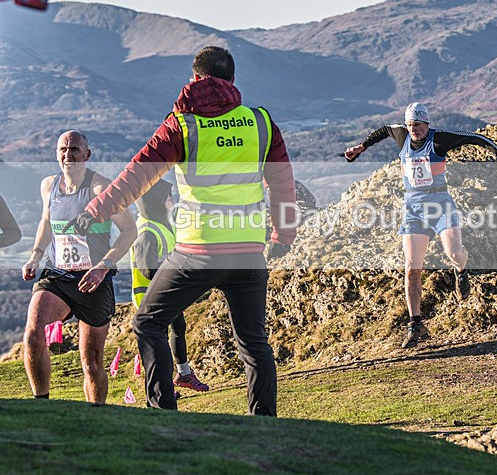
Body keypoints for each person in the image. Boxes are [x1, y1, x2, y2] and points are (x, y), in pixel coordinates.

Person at [66, 46, 298, 416]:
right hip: (248, 251)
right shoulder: (260, 122)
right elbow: (284, 185)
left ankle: (164, 411)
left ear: (195, 79)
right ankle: (264, 422)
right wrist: (283, 235)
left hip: (198, 251)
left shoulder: (183, 124)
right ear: (233, 81)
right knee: (254, 342)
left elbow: (137, 175)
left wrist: (95, 210)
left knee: (147, 323)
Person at [344, 103, 497, 348]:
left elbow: (473, 138)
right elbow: (383, 130)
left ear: (427, 124)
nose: (414, 130)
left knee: (454, 253)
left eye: (419, 126)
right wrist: (361, 147)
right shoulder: (402, 134)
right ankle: (416, 324)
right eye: (410, 125)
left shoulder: (439, 140)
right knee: (412, 267)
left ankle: (461, 271)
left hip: (440, 204)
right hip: (413, 208)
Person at [21, 130, 137, 405]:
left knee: (92, 363)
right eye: (63, 148)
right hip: (57, 274)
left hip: (93, 280)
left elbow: (129, 231)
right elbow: (46, 222)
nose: (68, 154)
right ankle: (42, 404)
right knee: (33, 335)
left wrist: (103, 267)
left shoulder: (101, 189)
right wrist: (36, 255)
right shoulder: (49, 185)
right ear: (56, 153)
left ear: (87, 154)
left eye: (74, 149)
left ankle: (95, 414)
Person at [130, 179, 209, 393]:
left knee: (178, 328)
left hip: (166, 291)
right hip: (151, 296)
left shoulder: (162, 223)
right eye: (167, 196)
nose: (171, 199)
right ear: (155, 202)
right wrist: (174, 279)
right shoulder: (147, 231)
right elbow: (147, 269)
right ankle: (161, 387)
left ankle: (183, 374)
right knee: (158, 341)